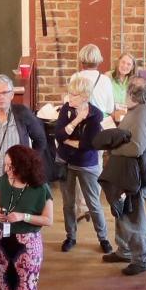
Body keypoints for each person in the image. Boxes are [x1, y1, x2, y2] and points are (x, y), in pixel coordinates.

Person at [50, 69, 111, 254]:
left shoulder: (96, 115)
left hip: (86, 163)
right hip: (65, 161)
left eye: (74, 95)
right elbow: (58, 135)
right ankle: (71, 236)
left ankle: (103, 238)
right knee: (68, 203)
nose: (69, 98)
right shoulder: (66, 109)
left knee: (93, 203)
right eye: (69, 93)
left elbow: (88, 145)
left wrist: (68, 139)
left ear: (85, 96)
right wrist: (76, 120)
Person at [104, 75, 146, 277]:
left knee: (134, 216)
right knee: (121, 210)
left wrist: (112, 147)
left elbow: (136, 148)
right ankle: (124, 250)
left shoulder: (142, 115)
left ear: (132, 95)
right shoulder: (137, 111)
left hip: (136, 176)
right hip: (128, 173)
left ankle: (140, 258)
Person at [0, 143, 55, 290]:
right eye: (5, 165)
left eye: (11, 166)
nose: (6, 170)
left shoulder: (40, 188)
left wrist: (23, 216)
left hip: (28, 244)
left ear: (23, 167)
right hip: (3, 239)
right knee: (5, 288)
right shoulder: (3, 181)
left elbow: (48, 219)